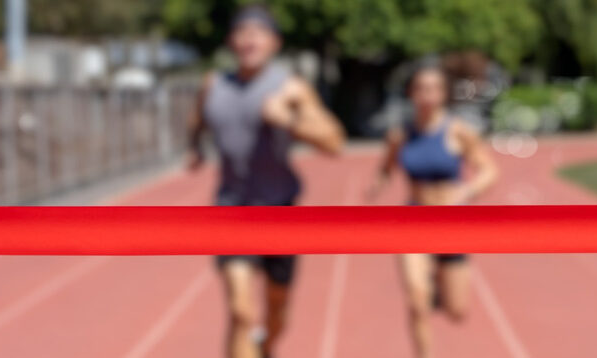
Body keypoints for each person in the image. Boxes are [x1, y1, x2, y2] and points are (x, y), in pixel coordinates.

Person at [186, 5, 345, 358]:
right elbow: (197, 117)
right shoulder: (213, 84)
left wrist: (289, 120)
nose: (249, 40)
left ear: (274, 42)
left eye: (258, 33)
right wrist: (194, 147)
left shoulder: (291, 88)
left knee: (277, 310)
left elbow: (335, 141)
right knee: (241, 311)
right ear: (231, 41)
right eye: (242, 33)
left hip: (280, 210)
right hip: (231, 208)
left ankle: (268, 345)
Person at [369, 64, 498, 358]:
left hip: (451, 223)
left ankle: (440, 282)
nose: (427, 95)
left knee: (457, 311)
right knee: (416, 300)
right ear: (411, 93)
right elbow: (386, 168)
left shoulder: (457, 131)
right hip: (414, 219)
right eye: (420, 89)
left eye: (433, 89)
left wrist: (467, 191)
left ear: (442, 94)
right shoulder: (400, 135)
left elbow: (490, 170)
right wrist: (376, 185)